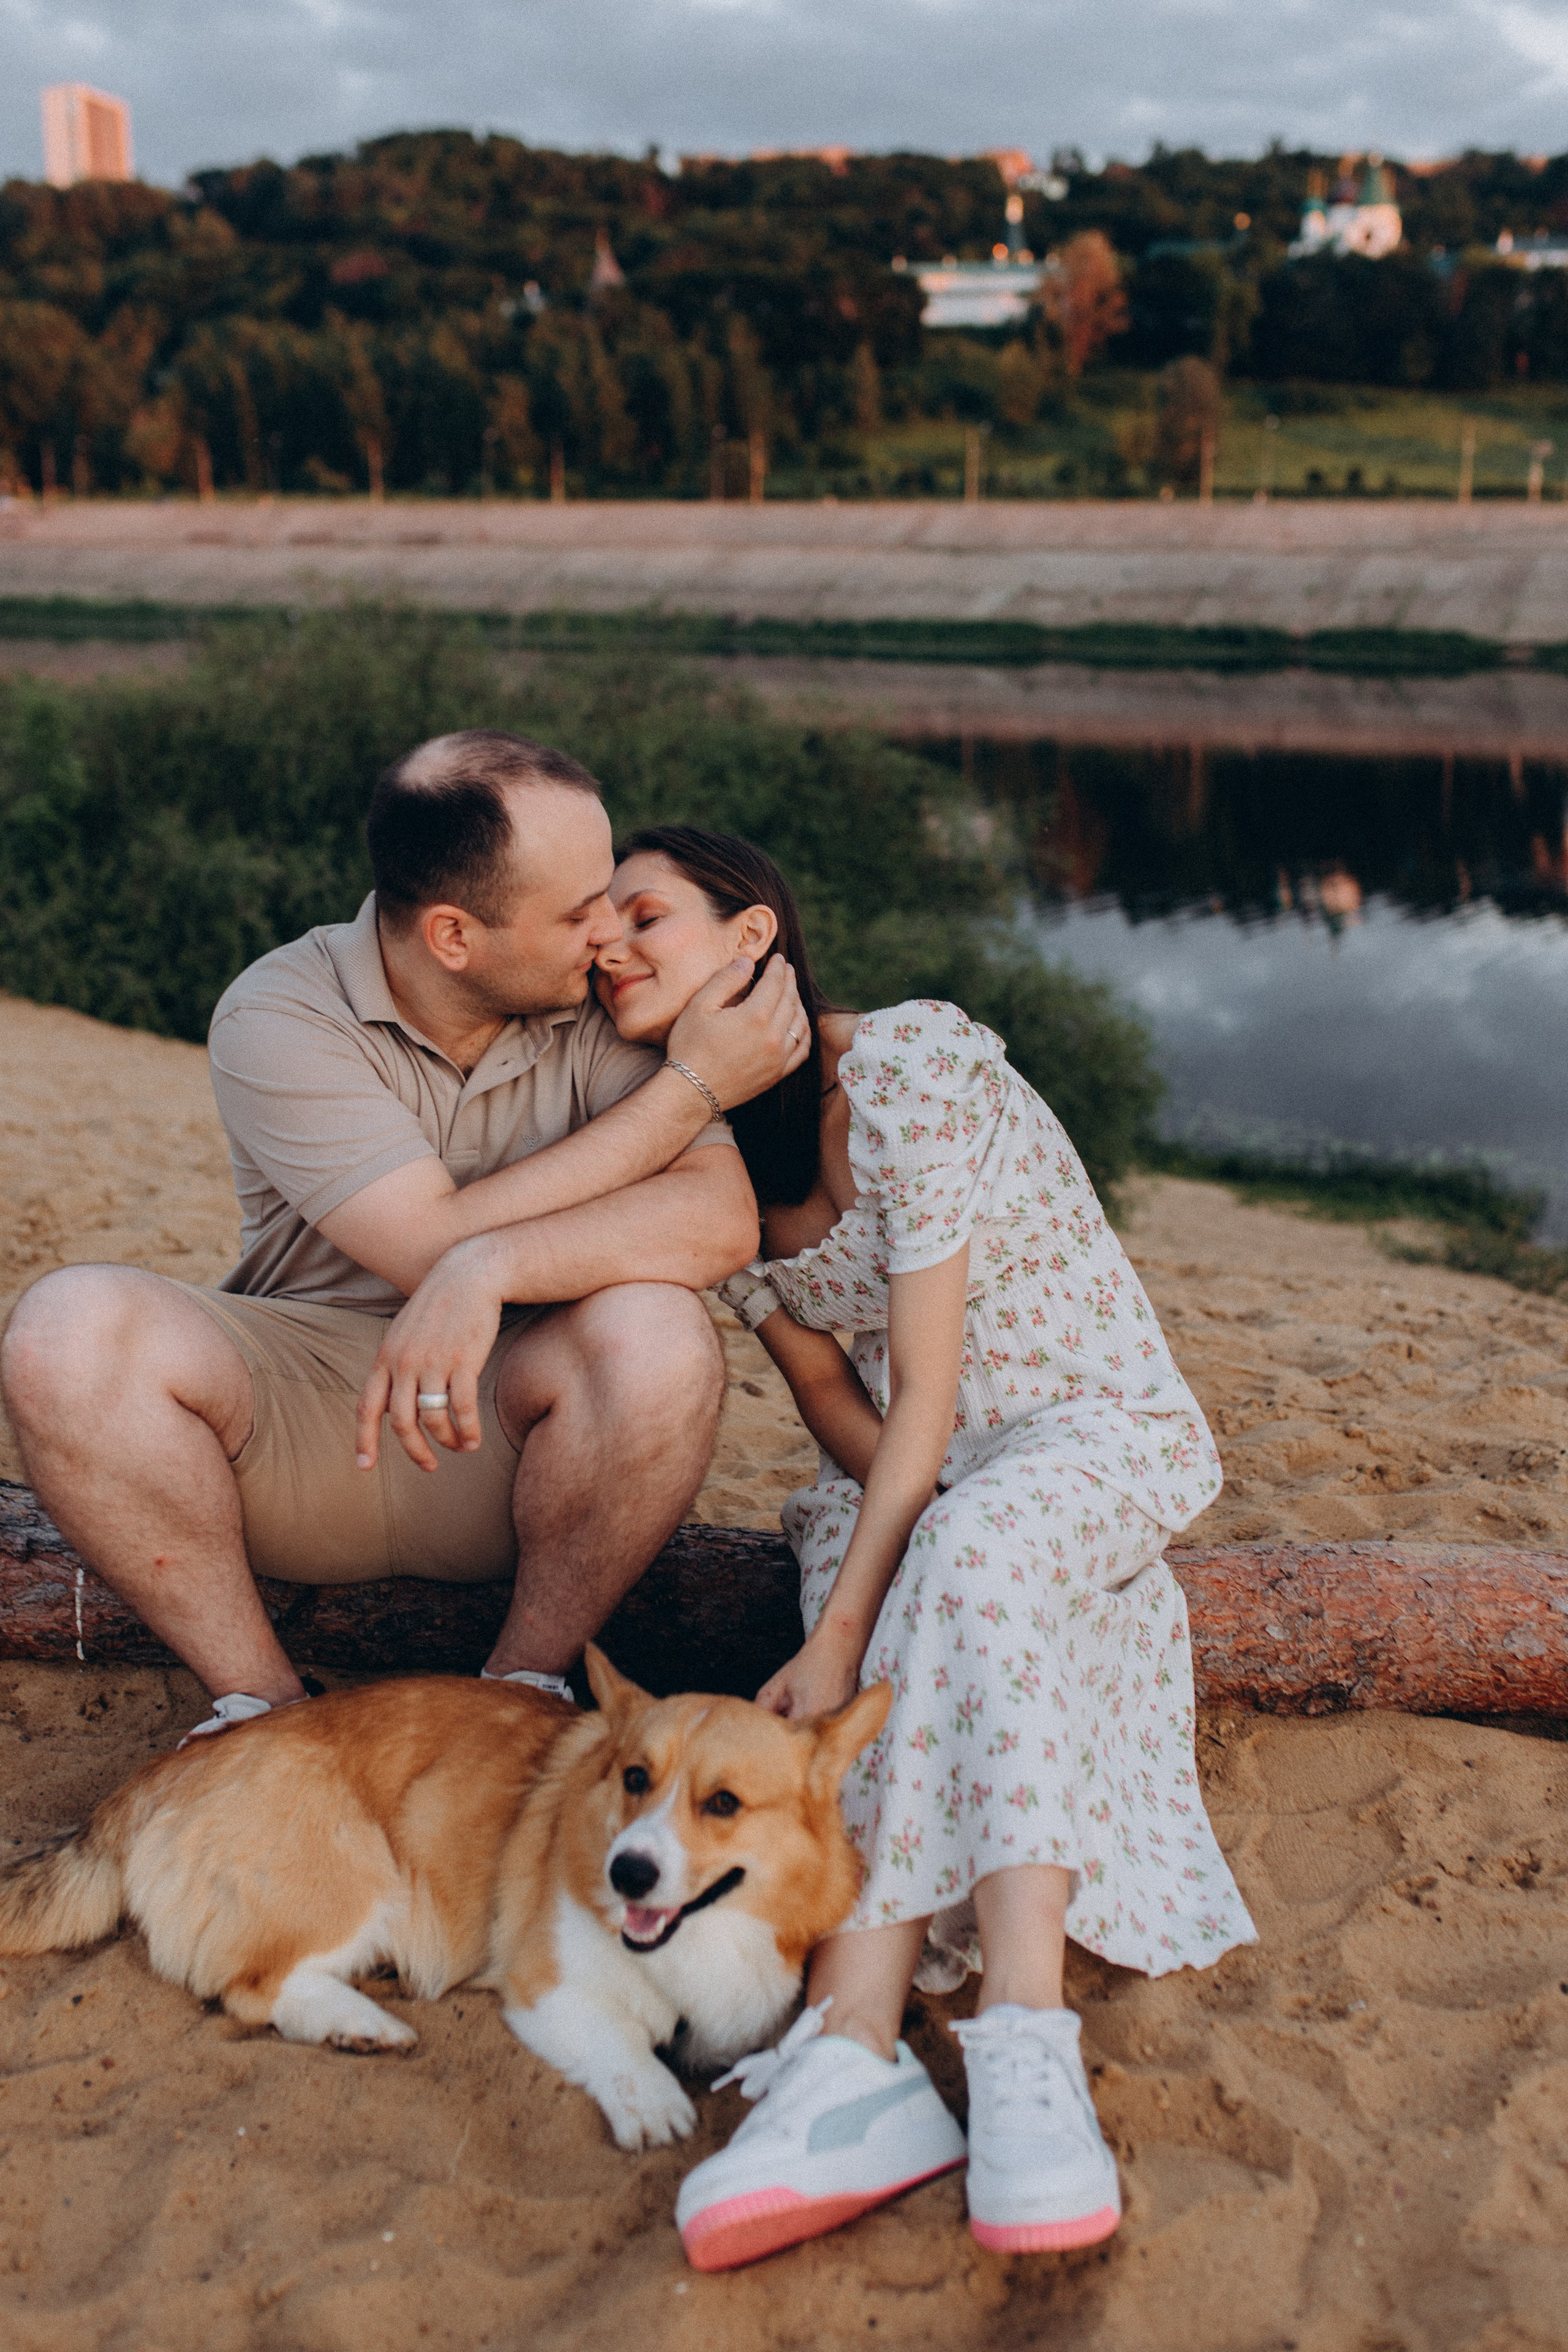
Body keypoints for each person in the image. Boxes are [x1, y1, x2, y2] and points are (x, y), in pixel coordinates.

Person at [587, 824, 1257, 2270]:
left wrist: (846, 1633)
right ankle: (855, 2059)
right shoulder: (714, 1177)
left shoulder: (908, 1066)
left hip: (1087, 1429)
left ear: (752, 932)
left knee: (923, 1575)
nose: (612, 951)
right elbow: (833, 1392)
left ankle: (1012, 2035)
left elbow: (931, 1382)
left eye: (643, 915)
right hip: (913, 1476)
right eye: (597, 943)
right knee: (882, 1561)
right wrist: (881, 1571)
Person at [0, 736, 810, 1736]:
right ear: (454, 936)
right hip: (298, 1426)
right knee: (65, 1325)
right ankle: (262, 1710)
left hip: (520, 1429)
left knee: (658, 1330)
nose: (607, 935)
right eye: (575, 910)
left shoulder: (591, 998)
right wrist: (693, 1089)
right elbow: (422, 1245)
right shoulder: (279, 1010)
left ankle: (520, 1691)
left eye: (608, 894)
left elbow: (720, 1218)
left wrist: (492, 1262)